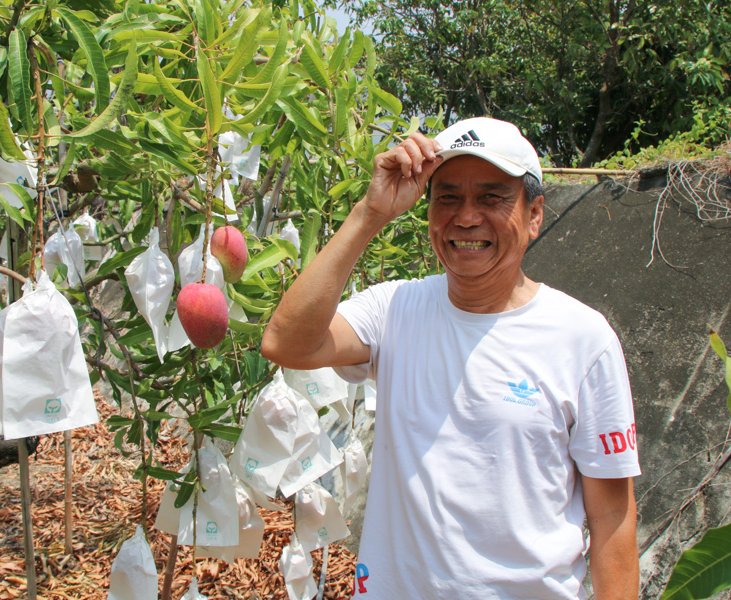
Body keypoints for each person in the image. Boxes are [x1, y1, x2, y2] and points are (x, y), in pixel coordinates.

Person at [261, 117, 640, 600]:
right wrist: (370, 213)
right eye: (447, 197)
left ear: (535, 215)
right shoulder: (394, 310)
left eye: (491, 197)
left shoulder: (583, 340)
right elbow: (285, 342)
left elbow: (612, 517)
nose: (465, 217)